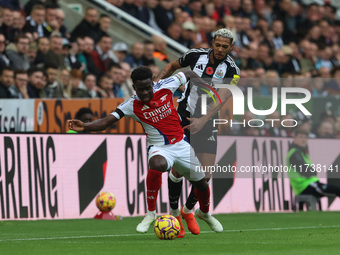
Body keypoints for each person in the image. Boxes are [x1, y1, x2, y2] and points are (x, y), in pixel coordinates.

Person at [67, 66, 223, 236]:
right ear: (134, 88)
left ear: (152, 83)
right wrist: (85, 126)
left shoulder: (165, 85)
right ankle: (150, 214)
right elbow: (106, 122)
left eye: (148, 87)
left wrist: (203, 86)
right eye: (141, 89)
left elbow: (188, 73)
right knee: (157, 164)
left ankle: (205, 213)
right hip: (159, 148)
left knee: (201, 183)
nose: (146, 92)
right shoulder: (131, 104)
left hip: (181, 145)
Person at [155, 28, 240, 236]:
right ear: (212, 43)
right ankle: (174, 212)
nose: (220, 49)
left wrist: (203, 120)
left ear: (231, 48)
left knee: (206, 174)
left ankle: (188, 210)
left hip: (208, 120)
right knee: (178, 169)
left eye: (224, 46)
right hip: (183, 116)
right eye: (217, 45)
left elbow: (223, 97)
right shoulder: (195, 55)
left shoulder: (232, 70)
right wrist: (158, 85)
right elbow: (172, 66)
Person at [286, 128, 340, 204]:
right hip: (305, 186)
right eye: (301, 137)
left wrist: (312, 171)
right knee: (337, 189)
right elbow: (306, 171)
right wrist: (313, 171)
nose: (303, 140)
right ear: (294, 139)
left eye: (305, 137)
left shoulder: (302, 152)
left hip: (310, 185)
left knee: (336, 188)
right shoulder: (294, 153)